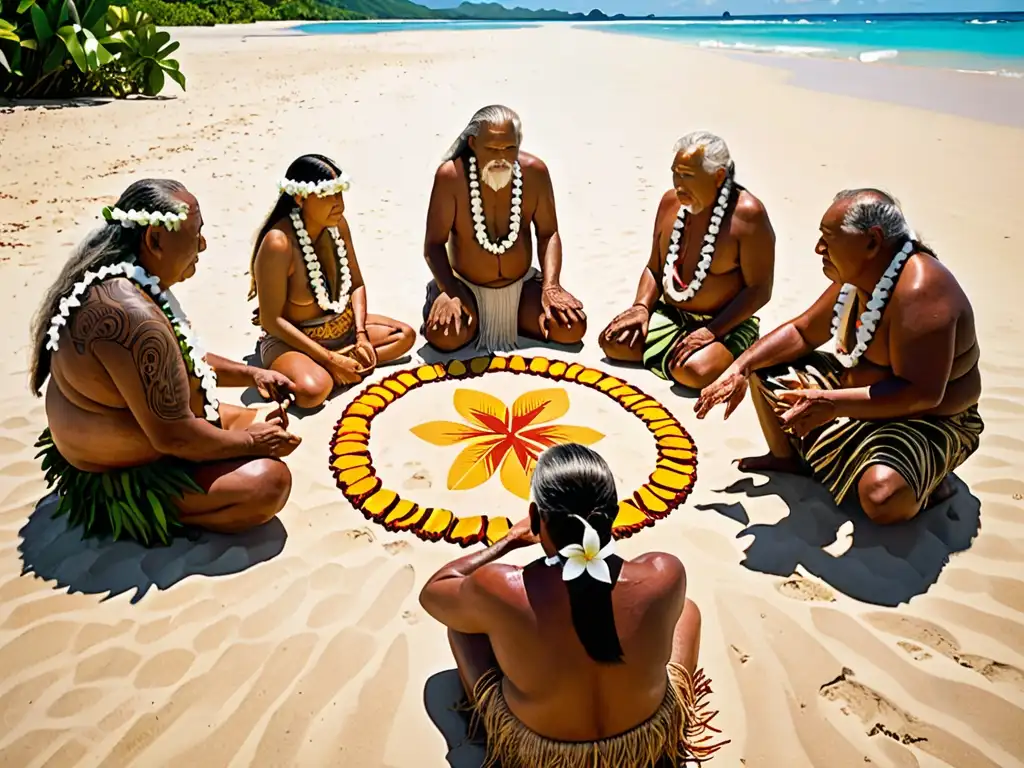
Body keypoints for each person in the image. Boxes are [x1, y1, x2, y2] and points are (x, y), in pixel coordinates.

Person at [419, 443, 727, 767]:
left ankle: (488, 734)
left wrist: (507, 542)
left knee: (464, 625)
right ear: (613, 516)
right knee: (685, 609)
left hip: (544, 749)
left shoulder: (501, 588)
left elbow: (434, 592)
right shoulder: (664, 571)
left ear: (537, 519)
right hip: (641, 736)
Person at [30, 179, 301, 546]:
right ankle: (150, 515)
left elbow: (181, 358)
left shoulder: (132, 277)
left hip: (159, 430)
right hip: (122, 470)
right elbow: (174, 435)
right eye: (196, 234)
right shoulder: (129, 315)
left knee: (252, 418)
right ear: (155, 240)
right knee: (269, 483)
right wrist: (253, 443)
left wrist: (253, 374)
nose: (202, 245)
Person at [695, 189, 983, 525]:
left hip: (926, 420)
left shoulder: (921, 290)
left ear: (873, 242)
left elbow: (922, 393)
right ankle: (786, 456)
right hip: (850, 395)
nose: (819, 248)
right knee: (763, 362)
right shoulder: (861, 275)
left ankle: (931, 483)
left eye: (828, 238)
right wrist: (739, 367)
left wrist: (832, 403)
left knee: (881, 498)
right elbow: (803, 332)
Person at [599, 131, 775, 389]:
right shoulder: (671, 203)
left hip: (726, 323)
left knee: (693, 372)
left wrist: (713, 331)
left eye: (688, 176)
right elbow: (654, 267)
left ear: (718, 177)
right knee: (613, 341)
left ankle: (735, 351)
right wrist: (641, 307)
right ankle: (677, 353)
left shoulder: (748, 215)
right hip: (672, 314)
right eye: (675, 173)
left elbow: (760, 290)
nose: (679, 184)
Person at [249, 154, 415, 409]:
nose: (339, 204)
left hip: (344, 331)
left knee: (405, 336)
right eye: (328, 195)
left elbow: (357, 283)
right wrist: (328, 358)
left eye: (340, 193)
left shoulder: (337, 225)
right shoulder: (278, 243)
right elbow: (272, 321)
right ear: (300, 197)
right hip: (294, 341)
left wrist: (361, 335)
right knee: (312, 392)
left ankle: (341, 365)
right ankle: (327, 368)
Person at [422, 105, 586, 353]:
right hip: (465, 287)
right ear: (473, 143)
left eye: (509, 148)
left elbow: (548, 233)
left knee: (572, 327)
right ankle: (438, 294)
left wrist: (551, 286)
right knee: (445, 336)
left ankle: (509, 320)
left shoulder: (535, 172)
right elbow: (433, 245)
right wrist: (451, 291)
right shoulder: (451, 176)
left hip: (520, 285)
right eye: (492, 149)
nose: (501, 157)